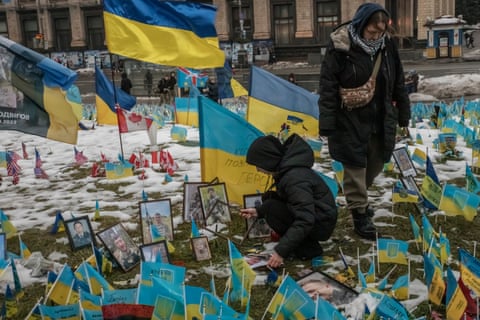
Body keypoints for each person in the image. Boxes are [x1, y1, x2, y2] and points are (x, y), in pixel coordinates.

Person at [318, 3, 411, 240]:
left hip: (380, 116)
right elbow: (328, 85)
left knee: (377, 161)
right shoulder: (341, 46)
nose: (376, 36)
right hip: (349, 117)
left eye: (380, 32)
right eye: (371, 32)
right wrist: (327, 121)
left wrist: (404, 112)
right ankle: (359, 212)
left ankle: (357, 197)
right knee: (355, 166)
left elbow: (398, 79)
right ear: (361, 25)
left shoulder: (387, 46)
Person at [240, 134, 338, 268]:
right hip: (317, 216)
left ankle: (308, 248)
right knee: (269, 200)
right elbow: (291, 202)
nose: (258, 169)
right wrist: (258, 211)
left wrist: (281, 251)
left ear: (268, 160)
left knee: (272, 208)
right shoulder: (288, 171)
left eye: (258, 165)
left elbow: (305, 219)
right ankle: (300, 243)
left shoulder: (294, 179)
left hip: (320, 223)